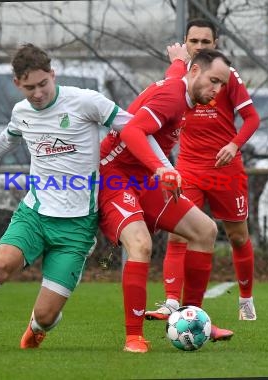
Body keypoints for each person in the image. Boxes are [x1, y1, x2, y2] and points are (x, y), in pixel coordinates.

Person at [0, 43, 135, 354]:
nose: (37, 93)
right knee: (0, 265)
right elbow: (6, 139)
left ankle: (38, 327)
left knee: (46, 316)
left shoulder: (86, 102)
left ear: (52, 75)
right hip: (34, 213)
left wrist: (162, 167)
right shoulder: (21, 112)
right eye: (29, 87)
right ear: (17, 84)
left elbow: (135, 127)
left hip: (76, 226)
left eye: (43, 84)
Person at [98, 48, 235, 353]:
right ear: (195, 72)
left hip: (145, 177)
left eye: (222, 85)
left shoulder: (182, 83)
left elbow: (175, 71)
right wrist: (161, 168)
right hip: (115, 176)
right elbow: (132, 130)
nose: (217, 90)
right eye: (214, 80)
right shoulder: (172, 98)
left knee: (206, 231)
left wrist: (178, 57)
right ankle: (134, 337)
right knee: (141, 244)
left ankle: (194, 318)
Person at [144, 19, 260, 323]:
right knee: (179, 235)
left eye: (204, 42)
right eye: (193, 42)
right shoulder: (181, 77)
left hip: (226, 170)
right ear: (186, 43)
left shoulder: (228, 76)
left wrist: (234, 145)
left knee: (237, 236)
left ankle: (246, 300)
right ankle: (171, 302)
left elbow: (251, 118)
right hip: (188, 168)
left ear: (215, 44)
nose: (198, 47)